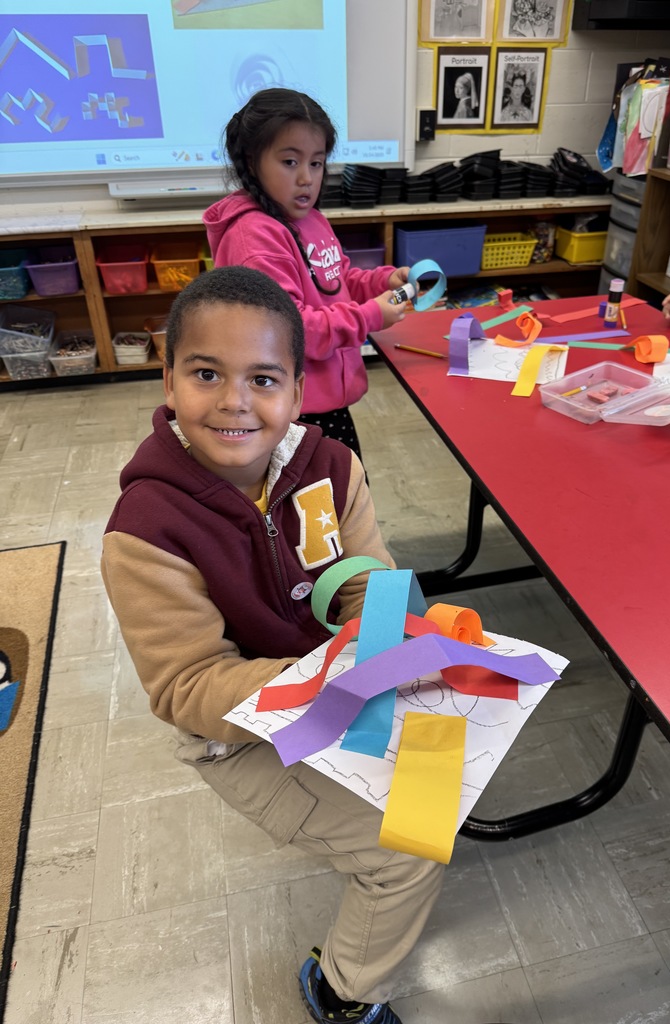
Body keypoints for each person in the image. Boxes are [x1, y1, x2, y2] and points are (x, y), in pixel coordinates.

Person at [100, 266, 444, 1024]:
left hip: (339, 691)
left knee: (438, 776)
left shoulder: (333, 466)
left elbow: (368, 580)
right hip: (239, 738)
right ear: (167, 380)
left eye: (263, 378)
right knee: (407, 852)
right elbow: (187, 688)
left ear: (296, 389)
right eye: (205, 373)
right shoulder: (145, 530)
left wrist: (390, 642)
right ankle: (344, 992)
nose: (233, 401)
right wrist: (329, 678)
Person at [203, 88, 410, 462]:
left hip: (324, 404)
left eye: (316, 164)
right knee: (314, 511)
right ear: (251, 163)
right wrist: (371, 315)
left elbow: (337, 280)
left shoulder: (309, 219)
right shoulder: (255, 237)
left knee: (344, 500)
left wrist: (383, 282)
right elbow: (292, 330)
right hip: (292, 415)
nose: (306, 178)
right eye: (289, 162)